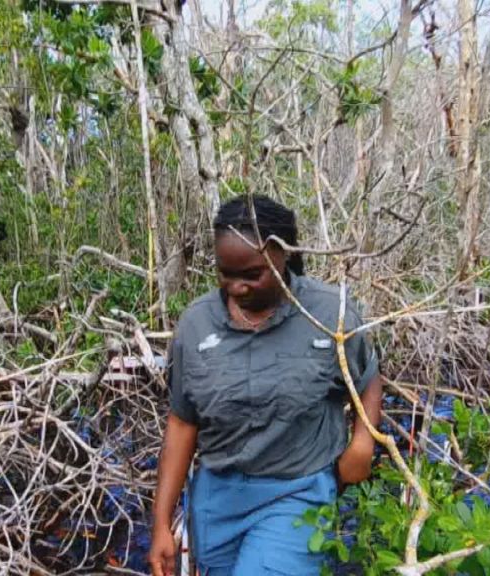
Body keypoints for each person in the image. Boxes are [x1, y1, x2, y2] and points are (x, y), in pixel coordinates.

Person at [148, 195, 384, 576]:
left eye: (252, 274)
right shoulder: (195, 326)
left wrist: (363, 442)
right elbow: (182, 423)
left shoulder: (329, 313)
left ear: (283, 254)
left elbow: (367, 376)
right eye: (226, 274)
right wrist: (161, 522)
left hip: (297, 492)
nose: (237, 288)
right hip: (217, 498)